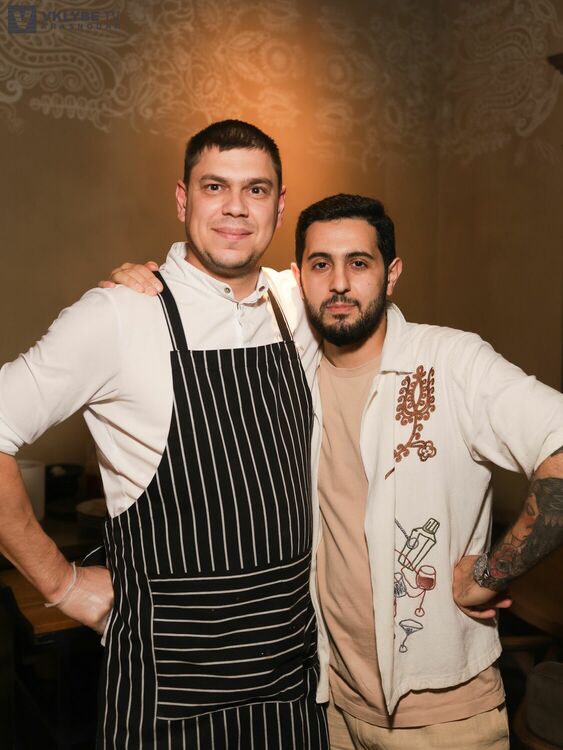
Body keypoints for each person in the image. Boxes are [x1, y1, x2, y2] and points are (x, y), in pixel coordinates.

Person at [110, 193, 563, 749]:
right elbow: (225, 285)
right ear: (299, 278)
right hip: (332, 710)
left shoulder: (452, 361)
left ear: (391, 274)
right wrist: (146, 286)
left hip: (445, 718)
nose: (340, 283)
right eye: (321, 264)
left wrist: (492, 573)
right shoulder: (293, 372)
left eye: (360, 262)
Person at [0, 120, 329, 748]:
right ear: (183, 200)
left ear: (280, 206)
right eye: (215, 187)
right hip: (169, 694)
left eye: (256, 190)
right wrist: (61, 585)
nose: (236, 207)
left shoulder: (302, 304)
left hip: (292, 684)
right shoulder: (120, 315)